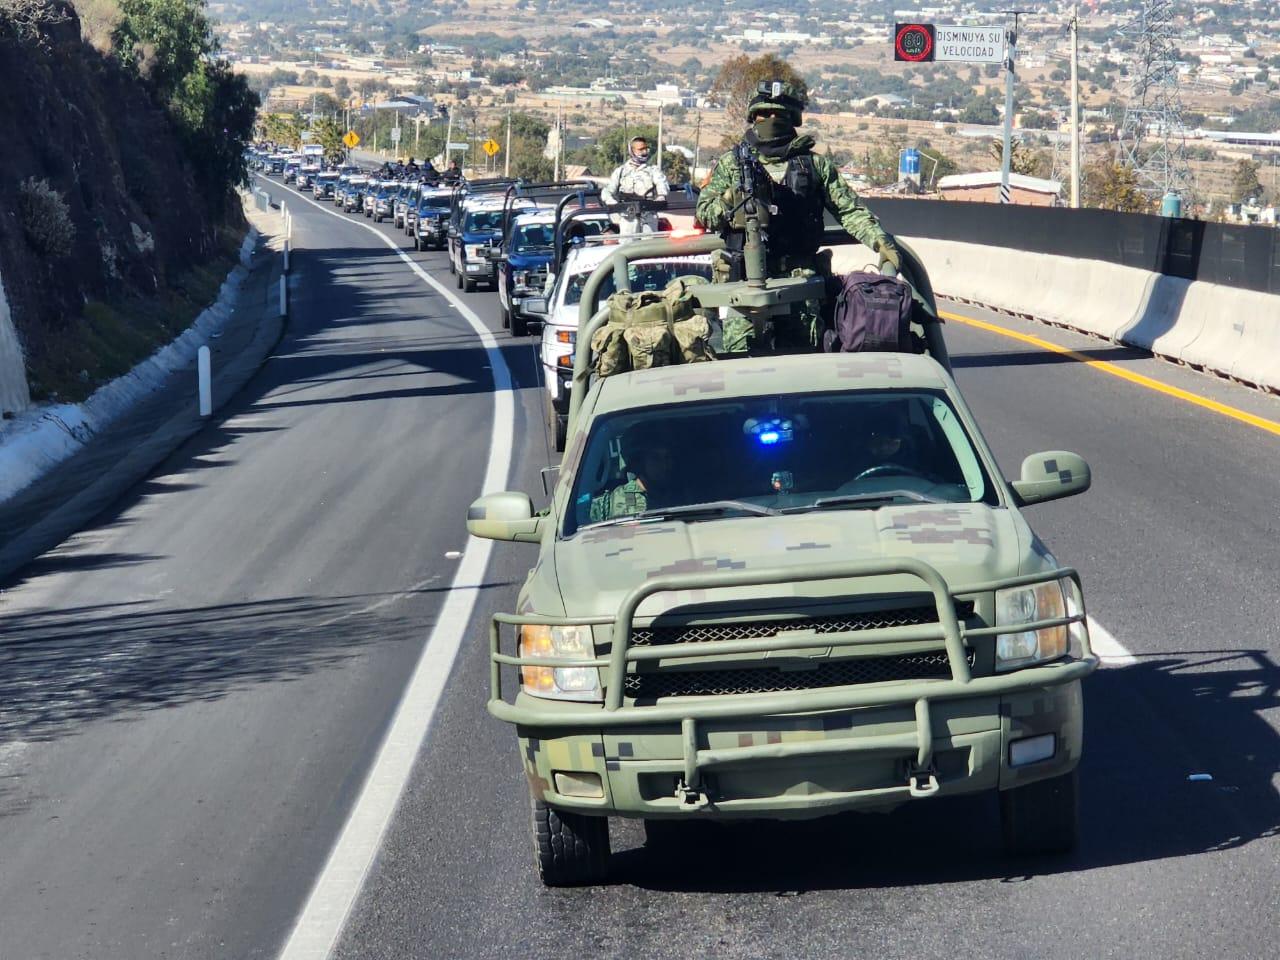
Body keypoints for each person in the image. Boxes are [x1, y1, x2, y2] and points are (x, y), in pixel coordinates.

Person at [695, 80, 903, 354]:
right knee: (741, 362)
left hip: (801, 281)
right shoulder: (732, 163)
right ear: (752, 117)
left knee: (803, 359)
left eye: (778, 114)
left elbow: (849, 210)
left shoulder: (815, 165)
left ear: (792, 119)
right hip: (745, 283)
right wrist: (733, 201)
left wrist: (879, 240)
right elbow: (704, 212)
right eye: (764, 114)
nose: (770, 119)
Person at [589, 427, 689, 522]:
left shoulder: (678, 495)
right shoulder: (620, 502)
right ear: (639, 462)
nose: (664, 464)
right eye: (655, 458)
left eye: (667, 457)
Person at [601, 136, 670, 235]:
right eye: (641, 149)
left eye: (646, 149)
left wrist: (661, 196)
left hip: (648, 215)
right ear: (632, 151)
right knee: (628, 246)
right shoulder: (621, 171)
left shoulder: (652, 170)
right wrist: (612, 202)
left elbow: (662, 183)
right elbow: (607, 190)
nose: (644, 152)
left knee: (648, 246)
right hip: (628, 216)